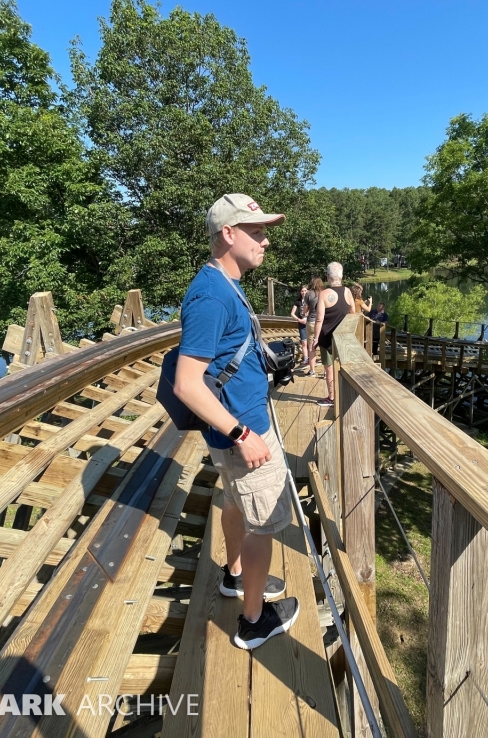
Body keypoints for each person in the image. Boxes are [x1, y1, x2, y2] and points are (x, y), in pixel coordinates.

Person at [173, 193, 299, 650]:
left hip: (236, 429)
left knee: (235, 502)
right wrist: (243, 433)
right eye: (257, 232)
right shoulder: (210, 296)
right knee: (263, 523)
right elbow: (188, 384)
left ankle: (235, 576)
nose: (266, 241)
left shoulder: (225, 283)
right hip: (243, 433)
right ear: (228, 234)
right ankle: (253, 621)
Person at [311, 262, 354, 407]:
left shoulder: (324, 294)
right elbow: (353, 314)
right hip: (344, 339)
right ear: (341, 276)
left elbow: (319, 319)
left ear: (328, 277)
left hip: (327, 338)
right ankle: (346, 395)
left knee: (329, 368)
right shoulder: (348, 292)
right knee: (344, 366)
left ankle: (332, 397)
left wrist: (315, 339)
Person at [305, 276, 324, 375]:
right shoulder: (324, 293)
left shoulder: (308, 294)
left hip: (311, 322)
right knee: (323, 346)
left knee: (311, 347)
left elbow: (305, 310)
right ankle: (326, 372)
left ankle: (312, 371)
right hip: (322, 323)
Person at [290, 284, 309, 366]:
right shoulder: (298, 301)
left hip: (310, 322)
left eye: (305, 291)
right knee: (304, 342)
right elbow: (292, 313)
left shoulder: (310, 300)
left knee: (311, 342)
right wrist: (298, 319)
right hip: (301, 323)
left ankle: (312, 358)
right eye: (302, 291)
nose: (303, 292)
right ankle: (305, 358)